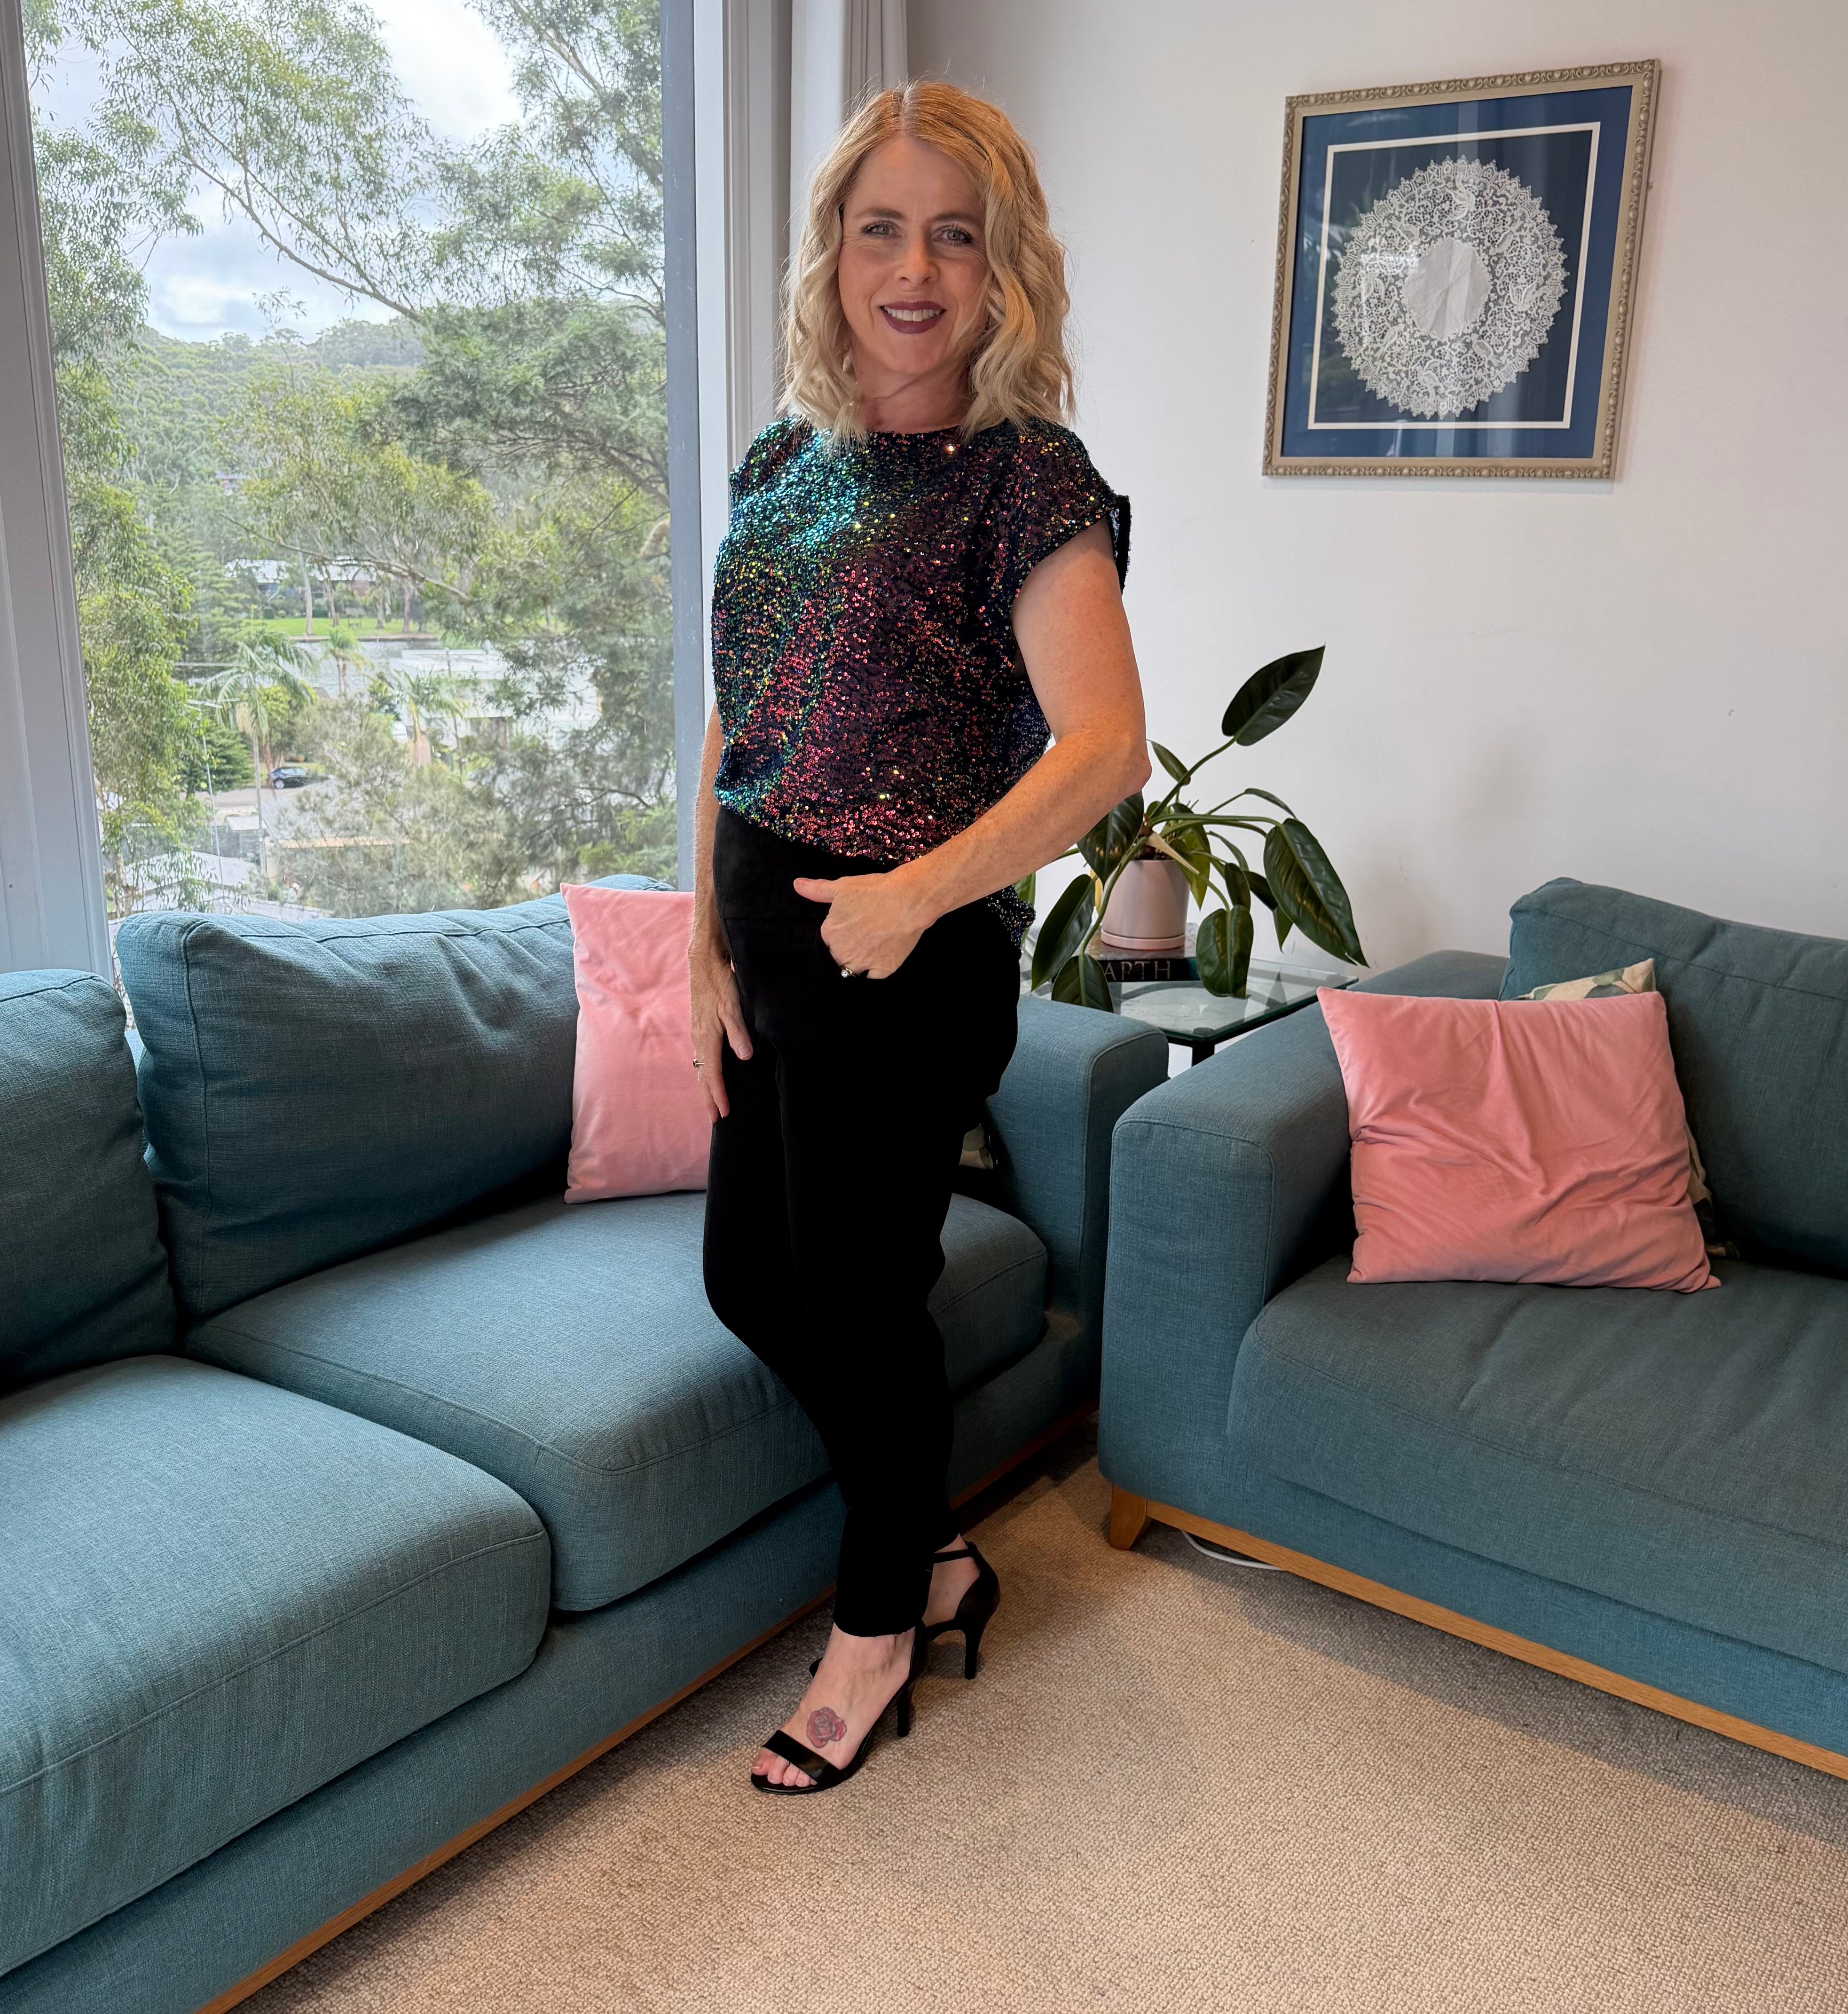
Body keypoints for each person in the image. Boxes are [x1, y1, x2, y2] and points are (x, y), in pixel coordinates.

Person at [692, 79, 1148, 1796]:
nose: (912, 266)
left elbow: (1106, 746)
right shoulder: (780, 457)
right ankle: (939, 1549)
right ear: (831, 254)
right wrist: (697, 941)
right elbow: (738, 722)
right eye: (878, 226)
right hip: (767, 936)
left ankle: (876, 1627)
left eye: (953, 234)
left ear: (1000, 270)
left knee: (862, 1299)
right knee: (755, 1276)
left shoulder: (1029, 478)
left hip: (907, 952)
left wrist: (915, 890)